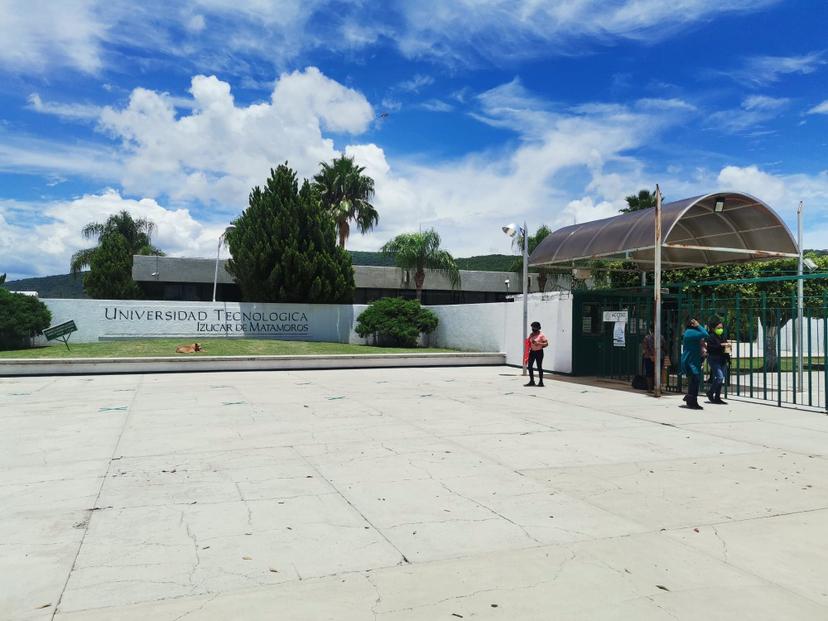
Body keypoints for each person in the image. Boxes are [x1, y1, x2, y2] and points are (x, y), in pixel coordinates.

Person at [680, 318, 709, 410]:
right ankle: (692, 400)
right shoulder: (690, 332)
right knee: (695, 379)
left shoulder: (690, 332)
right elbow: (705, 334)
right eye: (696, 322)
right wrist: (699, 326)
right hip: (690, 361)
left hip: (694, 360)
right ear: (692, 324)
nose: (698, 323)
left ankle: (690, 400)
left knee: (693, 381)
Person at [705, 321, 729, 404]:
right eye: (718, 328)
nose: (720, 329)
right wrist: (720, 345)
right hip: (714, 359)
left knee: (720, 379)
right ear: (713, 328)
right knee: (720, 377)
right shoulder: (710, 337)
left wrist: (728, 348)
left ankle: (717, 397)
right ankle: (710, 392)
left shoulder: (723, 336)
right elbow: (710, 348)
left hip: (723, 359)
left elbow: (725, 347)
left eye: (721, 328)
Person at [642, 326, 666, 393]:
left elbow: (645, 348)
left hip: (649, 358)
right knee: (659, 372)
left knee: (649, 373)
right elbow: (664, 347)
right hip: (659, 357)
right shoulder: (661, 337)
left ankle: (650, 389)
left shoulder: (647, 337)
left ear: (650, 330)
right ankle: (659, 388)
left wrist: (651, 356)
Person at [525, 321, 549, 387]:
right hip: (532, 352)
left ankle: (541, 382)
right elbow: (528, 342)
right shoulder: (532, 334)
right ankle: (532, 381)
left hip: (539, 352)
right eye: (532, 327)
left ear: (538, 328)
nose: (533, 329)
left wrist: (538, 343)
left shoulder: (541, 335)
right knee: (529, 366)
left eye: (534, 327)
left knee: (539, 367)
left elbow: (546, 344)